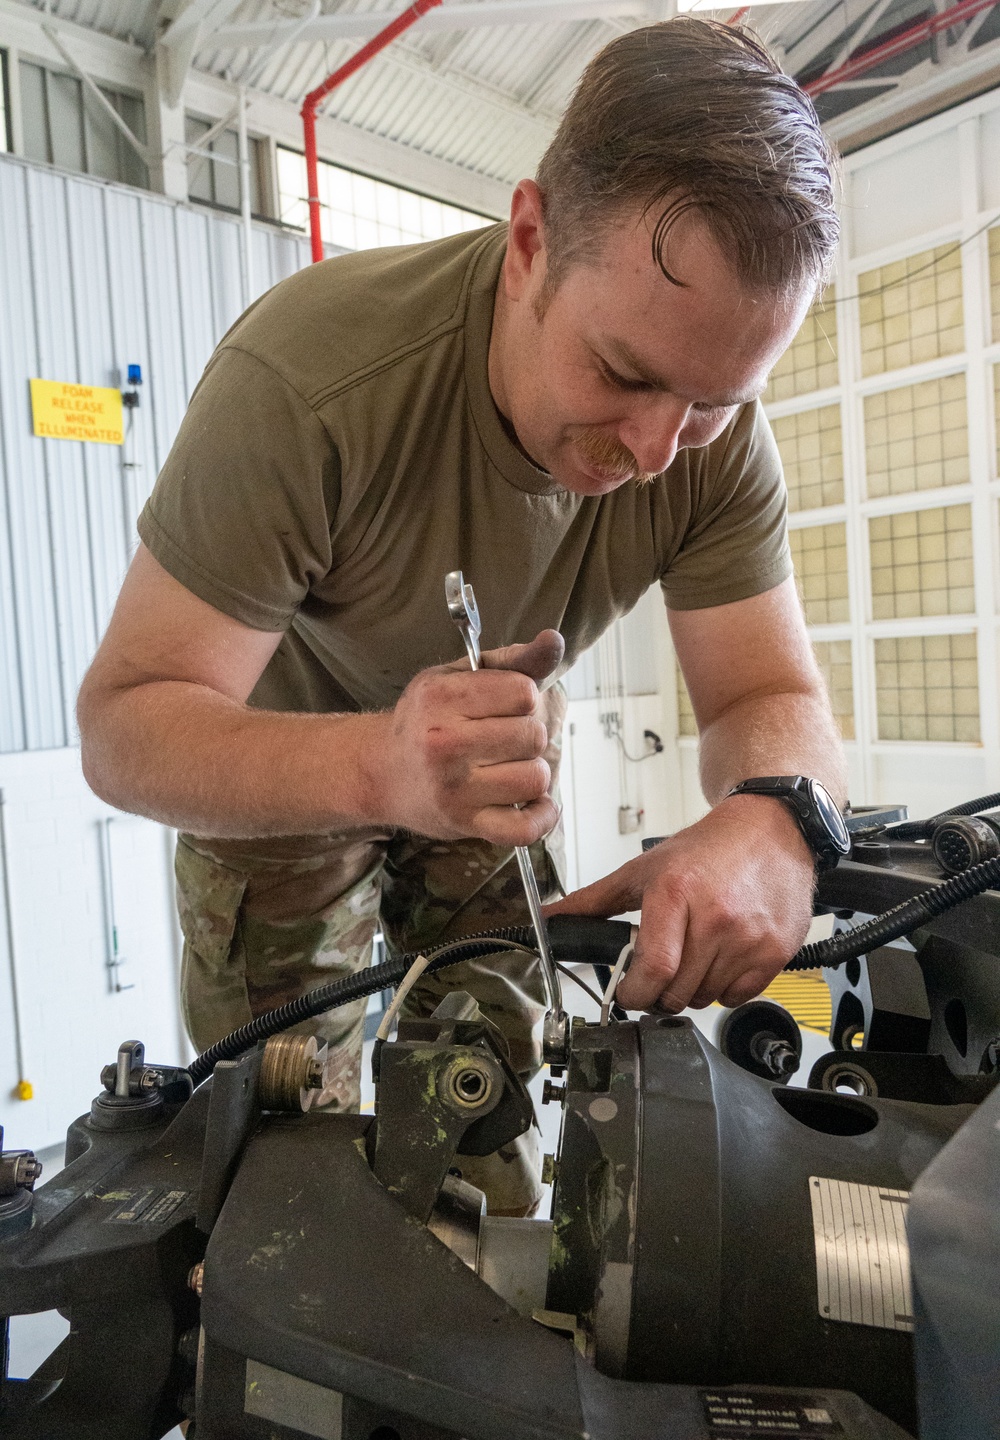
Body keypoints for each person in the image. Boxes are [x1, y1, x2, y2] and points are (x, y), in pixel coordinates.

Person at [77, 17, 847, 1215]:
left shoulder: (717, 445)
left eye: (709, 403)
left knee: (490, 1135)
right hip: (282, 780)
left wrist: (774, 816)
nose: (656, 451)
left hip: (484, 770)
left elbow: (766, 697)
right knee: (292, 1188)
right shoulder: (309, 386)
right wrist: (378, 766)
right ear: (529, 240)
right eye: (626, 376)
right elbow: (125, 726)